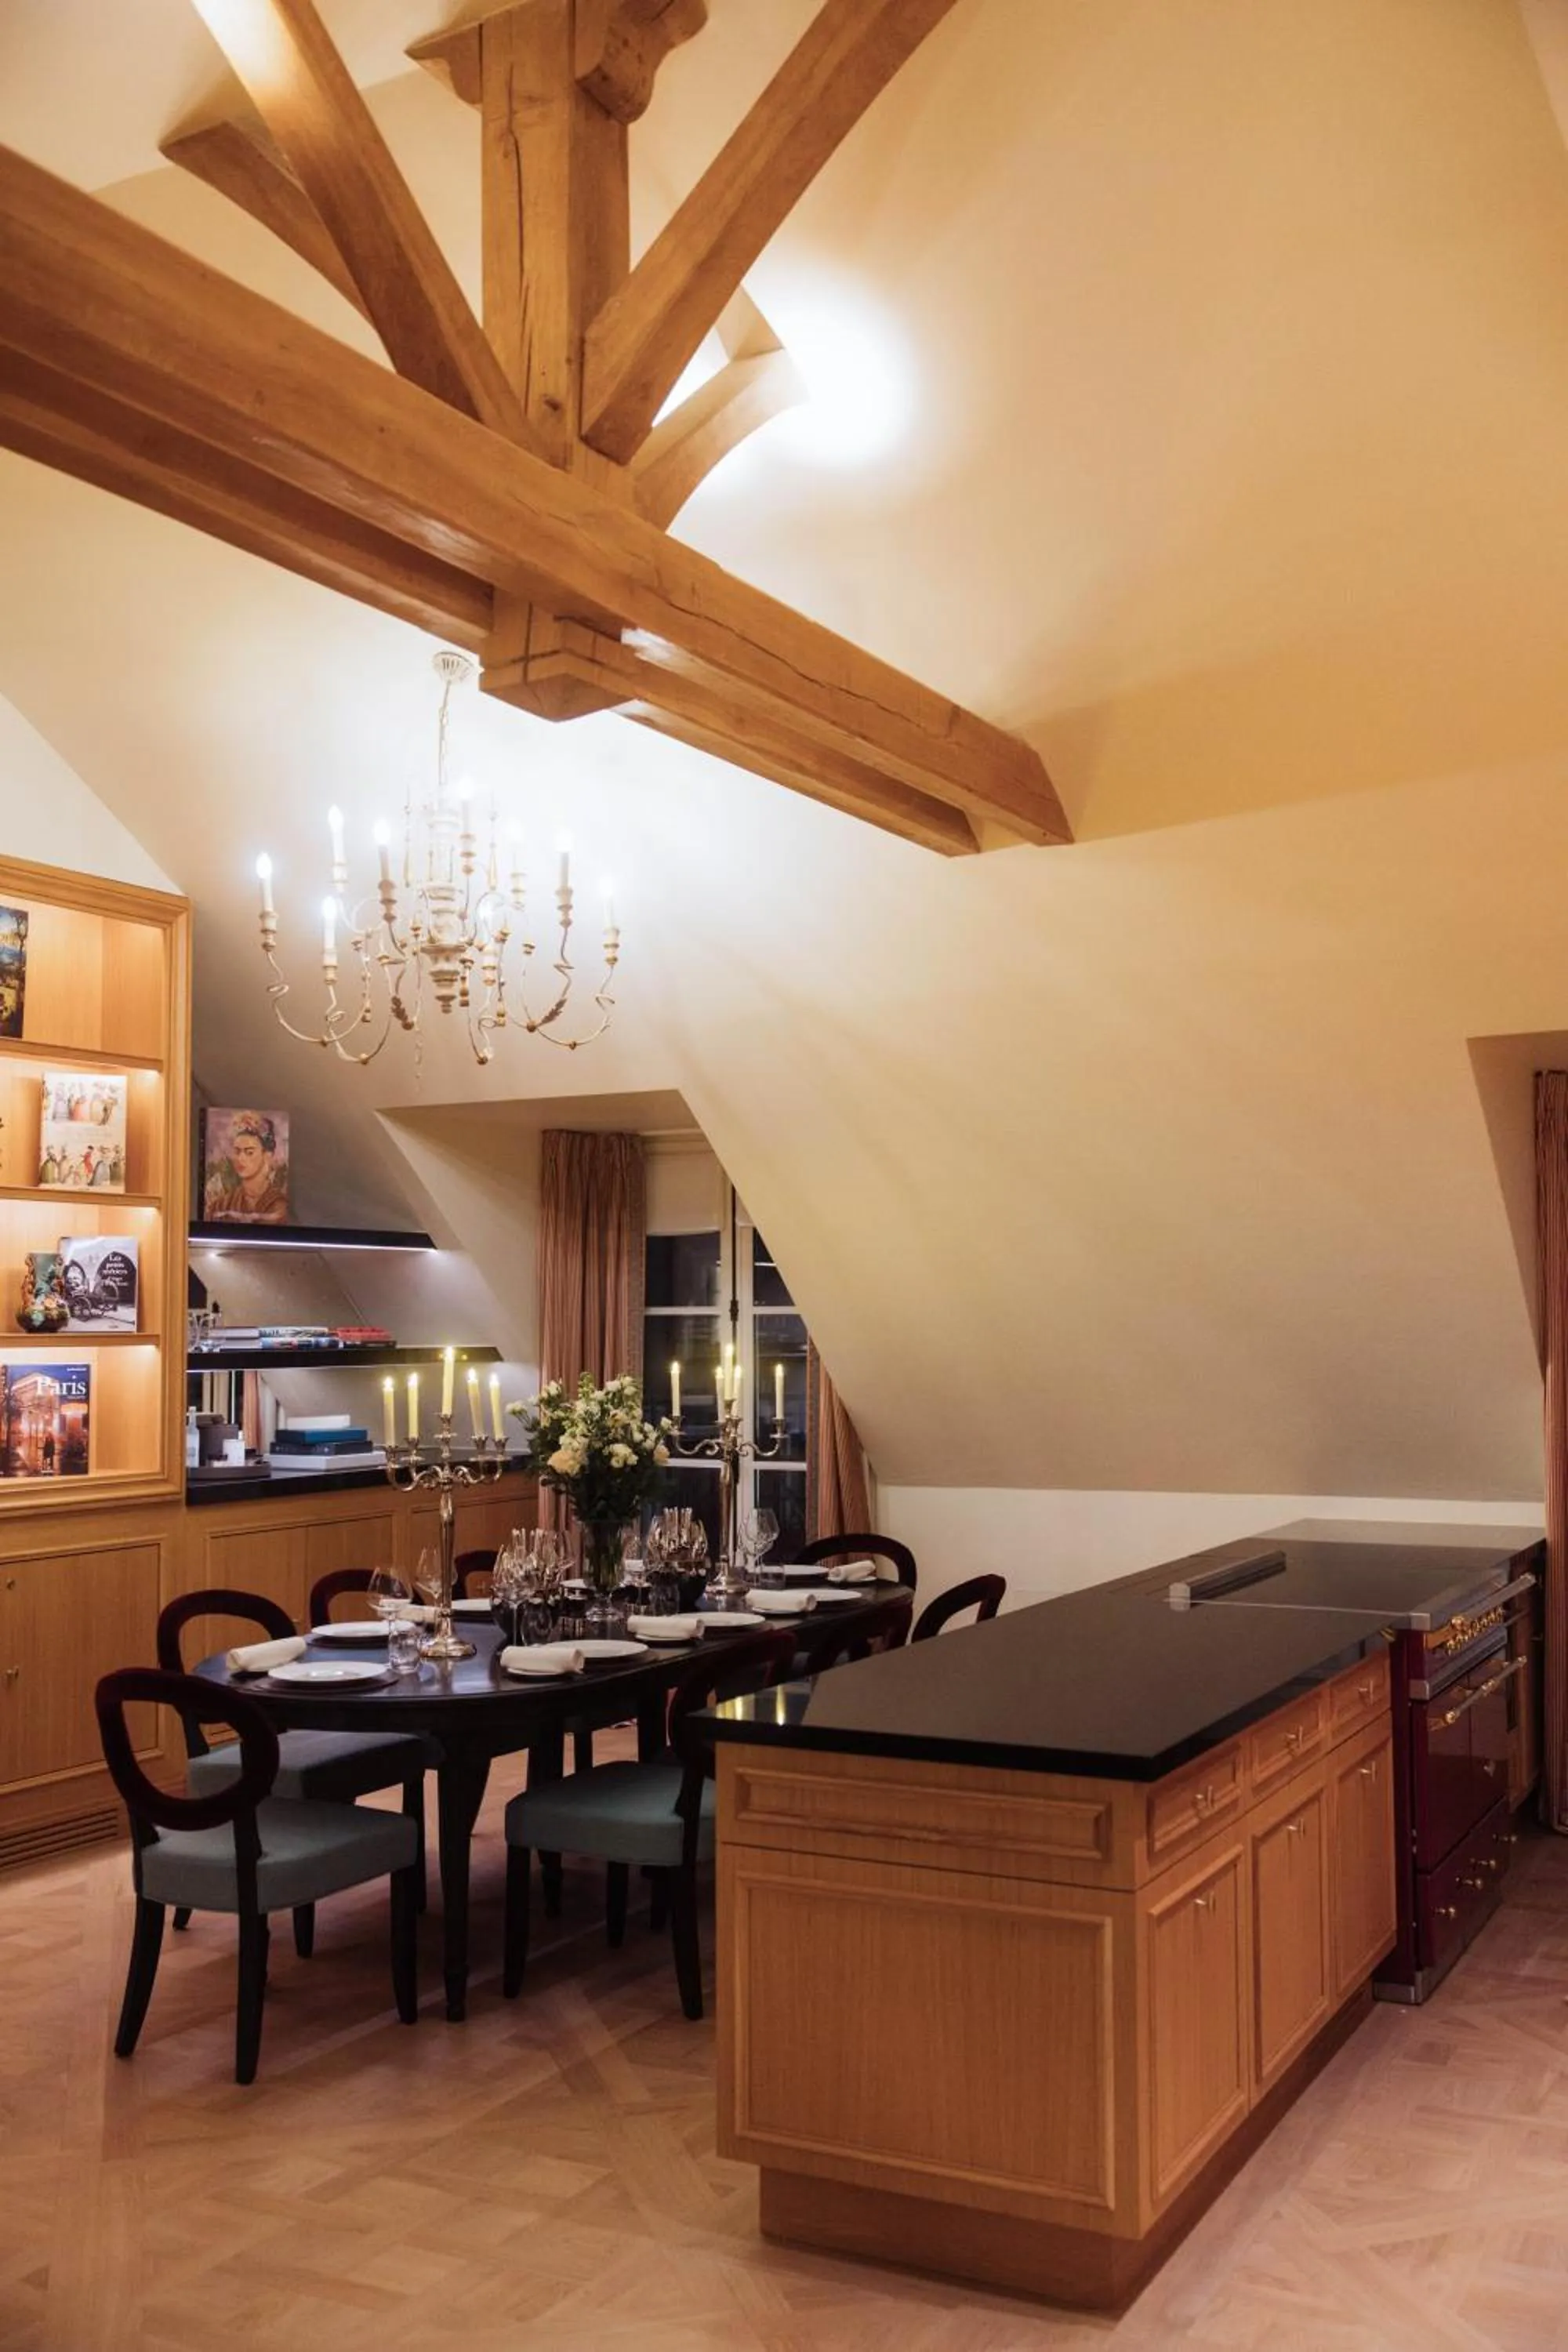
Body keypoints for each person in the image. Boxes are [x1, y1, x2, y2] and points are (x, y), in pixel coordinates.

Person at [205, 1111, 289, 1224]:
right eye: (237, 1152)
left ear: (267, 1155)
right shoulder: (222, 1205)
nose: (241, 1159)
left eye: (249, 1152)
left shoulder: (280, 1204)